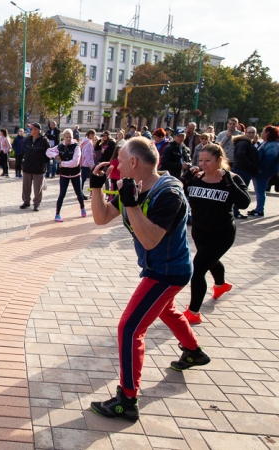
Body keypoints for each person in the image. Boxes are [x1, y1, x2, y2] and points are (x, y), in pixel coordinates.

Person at [88, 137, 210, 422]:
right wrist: (96, 187)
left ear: (134, 162)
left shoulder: (169, 193)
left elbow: (152, 240)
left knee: (129, 329)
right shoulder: (134, 187)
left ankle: (127, 401)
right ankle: (193, 352)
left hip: (167, 273)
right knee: (165, 309)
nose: (115, 165)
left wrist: (130, 203)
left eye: (120, 160)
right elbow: (101, 217)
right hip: (162, 270)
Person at [182, 144, 251, 324]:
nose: (203, 164)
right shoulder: (197, 178)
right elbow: (176, 193)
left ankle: (194, 312)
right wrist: (185, 178)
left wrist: (228, 181)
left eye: (208, 161)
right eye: (201, 160)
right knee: (210, 261)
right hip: (200, 231)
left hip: (222, 234)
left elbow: (244, 203)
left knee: (198, 269)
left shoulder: (232, 178)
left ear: (219, 161)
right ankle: (221, 285)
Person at [47, 129, 85, 222]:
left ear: (72, 137)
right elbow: (48, 152)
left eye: (70, 137)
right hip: (64, 175)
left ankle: (82, 207)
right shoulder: (60, 146)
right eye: (66, 137)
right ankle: (57, 214)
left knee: (79, 193)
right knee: (62, 194)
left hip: (75, 174)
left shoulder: (76, 147)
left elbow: (75, 162)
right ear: (63, 137)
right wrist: (55, 155)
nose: (68, 139)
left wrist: (62, 163)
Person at [247, 126, 279, 217]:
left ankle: (259, 210)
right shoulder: (267, 143)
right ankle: (258, 208)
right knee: (259, 191)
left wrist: (260, 169)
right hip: (261, 172)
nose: (262, 133)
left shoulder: (273, 145)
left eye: (264, 131)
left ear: (268, 133)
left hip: (263, 173)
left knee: (260, 191)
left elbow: (269, 159)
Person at [20, 123, 50, 211]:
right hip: (27, 167)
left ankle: (36, 204)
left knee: (38, 188)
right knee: (26, 187)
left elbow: (48, 154)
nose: (29, 130)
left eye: (31, 129)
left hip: (38, 168)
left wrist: (42, 163)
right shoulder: (28, 139)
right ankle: (26, 202)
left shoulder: (44, 141)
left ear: (37, 130)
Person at [79, 130, 96, 198]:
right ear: (91, 134)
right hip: (86, 163)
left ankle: (80, 193)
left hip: (82, 162)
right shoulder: (89, 143)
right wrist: (92, 165)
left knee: (82, 179)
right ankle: (80, 194)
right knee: (83, 179)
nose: (94, 137)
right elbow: (88, 154)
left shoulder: (84, 141)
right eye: (94, 135)